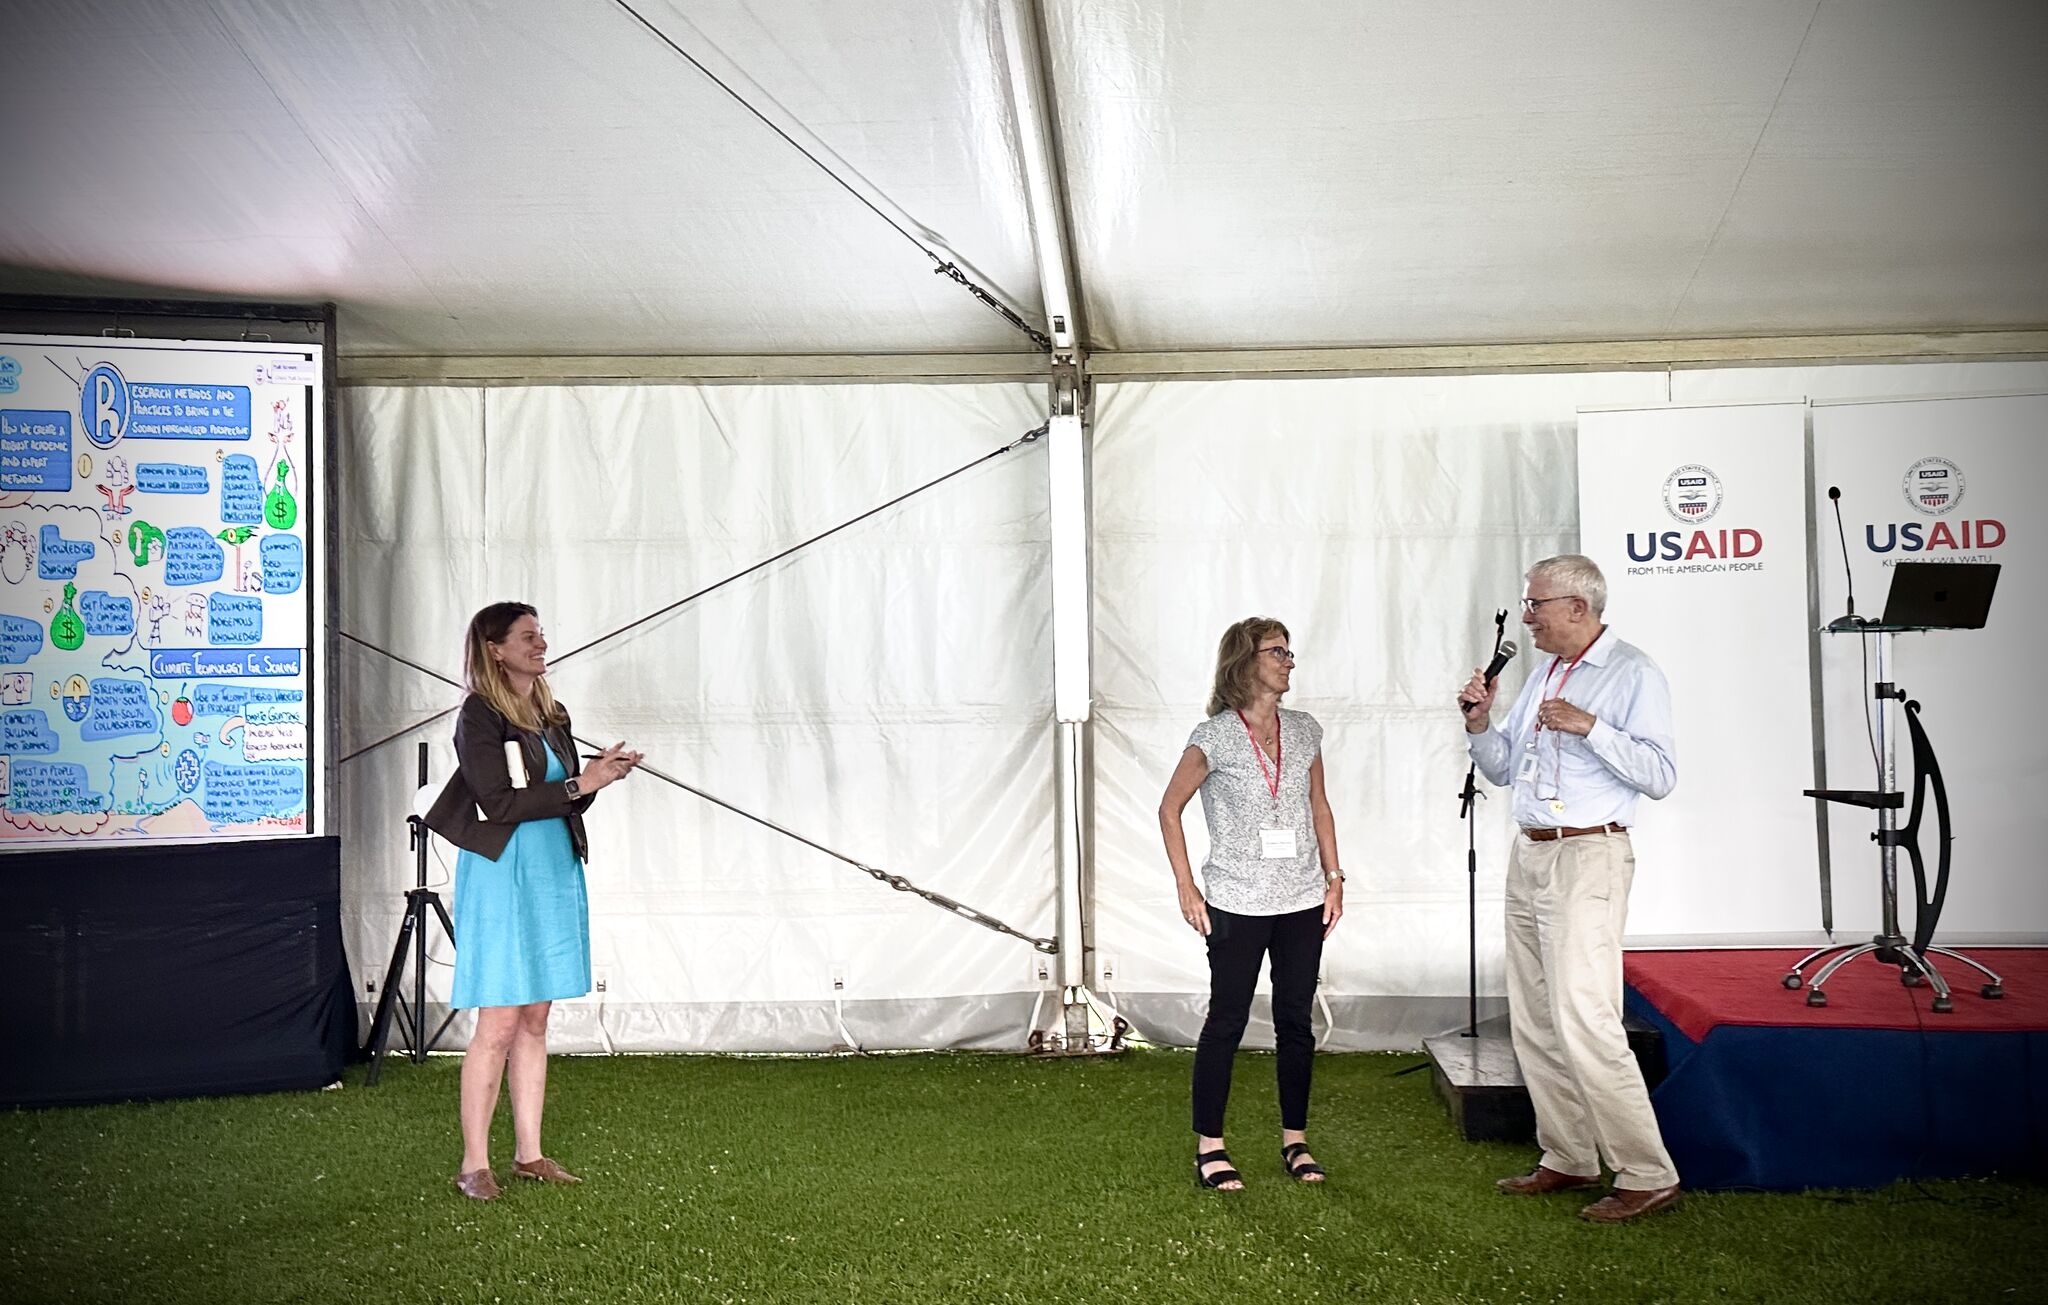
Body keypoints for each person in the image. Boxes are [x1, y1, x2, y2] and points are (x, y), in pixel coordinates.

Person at [1457, 554, 1682, 1223]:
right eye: (1527, 606)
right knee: (1533, 1012)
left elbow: (1662, 773)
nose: (1527, 618)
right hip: (1530, 853)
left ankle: (1647, 1170)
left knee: (1586, 1014)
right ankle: (1568, 1153)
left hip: (1589, 855)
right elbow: (1502, 768)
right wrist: (1478, 723)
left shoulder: (1632, 673)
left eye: (1536, 606)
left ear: (1578, 607)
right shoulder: (1543, 675)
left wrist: (1592, 727)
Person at [424, 601, 641, 1201]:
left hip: (551, 866)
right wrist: (581, 783)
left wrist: (597, 778)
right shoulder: (479, 714)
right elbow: (498, 803)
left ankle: (529, 1154)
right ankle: (474, 1164)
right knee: (498, 1019)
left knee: (536, 1017)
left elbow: (564, 796)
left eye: (541, 634)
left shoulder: (552, 712)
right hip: (502, 870)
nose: (539, 643)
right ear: (495, 648)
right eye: (527, 636)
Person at [1159, 617, 1345, 1191]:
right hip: (1236, 901)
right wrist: (1188, 888)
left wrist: (1334, 879)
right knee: (1227, 1021)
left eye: (1291, 651)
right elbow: (1170, 810)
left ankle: (1296, 1140)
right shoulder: (1213, 736)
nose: (1290, 661)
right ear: (1245, 663)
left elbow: (1319, 807)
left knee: (1296, 1022)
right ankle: (1209, 1146)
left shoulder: (1305, 730)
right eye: (1277, 652)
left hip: (1301, 901)